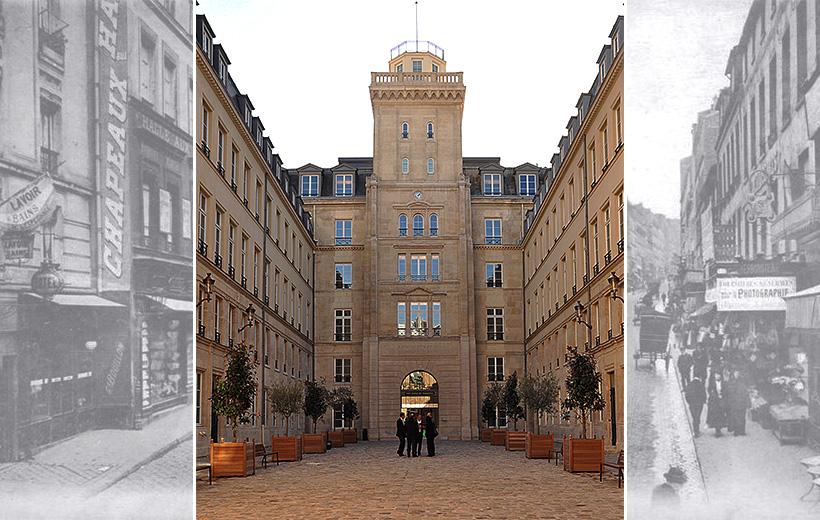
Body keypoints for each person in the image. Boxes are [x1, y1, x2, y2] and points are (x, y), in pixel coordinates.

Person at [726, 371, 750, 436]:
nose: (737, 375)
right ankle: (736, 431)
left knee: (742, 417)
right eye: (735, 373)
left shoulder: (742, 383)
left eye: (738, 373)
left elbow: (746, 393)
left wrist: (748, 403)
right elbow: (728, 393)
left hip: (742, 403)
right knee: (735, 417)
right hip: (735, 403)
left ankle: (742, 431)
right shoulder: (731, 382)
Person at [706, 372, 727, 437]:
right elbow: (709, 390)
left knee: (721, 415)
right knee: (716, 415)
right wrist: (713, 394)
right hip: (715, 401)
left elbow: (726, 391)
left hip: (721, 401)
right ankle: (717, 430)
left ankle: (720, 428)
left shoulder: (723, 383)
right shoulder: (712, 383)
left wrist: (722, 395)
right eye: (716, 375)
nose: (717, 376)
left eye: (719, 375)